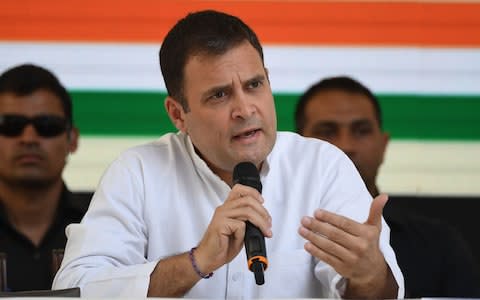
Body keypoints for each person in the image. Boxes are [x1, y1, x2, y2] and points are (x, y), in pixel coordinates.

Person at [53, 10, 405, 298]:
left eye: (254, 85)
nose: (245, 109)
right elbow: (74, 289)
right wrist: (196, 261)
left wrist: (370, 276)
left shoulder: (322, 167)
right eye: (219, 95)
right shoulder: (138, 172)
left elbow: (377, 293)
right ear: (178, 114)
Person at [295, 75, 480, 298]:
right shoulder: (265, 235)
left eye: (361, 130)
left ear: (383, 145)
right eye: (327, 131)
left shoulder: (440, 246)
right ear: (299, 147)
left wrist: (374, 279)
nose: (346, 145)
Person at [0, 64, 91, 292]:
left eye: (47, 126)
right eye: (11, 126)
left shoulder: (111, 222)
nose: (29, 138)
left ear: (72, 139)